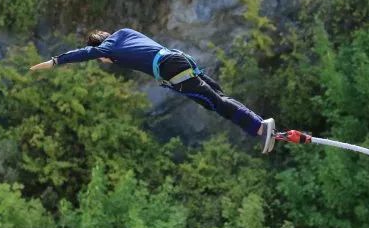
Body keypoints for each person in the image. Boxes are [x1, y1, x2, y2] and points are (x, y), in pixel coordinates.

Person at [30, 28, 276, 153]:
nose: (102, 60)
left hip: (170, 70)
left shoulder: (107, 48)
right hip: (180, 58)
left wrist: (53, 62)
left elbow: (83, 54)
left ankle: (259, 128)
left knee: (215, 104)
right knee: (219, 96)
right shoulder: (125, 32)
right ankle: (258, 124)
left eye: (101, 57)